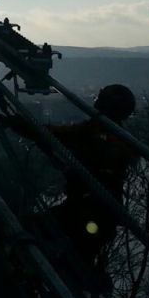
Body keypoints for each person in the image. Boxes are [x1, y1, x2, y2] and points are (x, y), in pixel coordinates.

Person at [49, 84, 137, 276]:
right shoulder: (106, 134)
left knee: (71, 262)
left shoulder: (105, 137)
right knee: (73, 262)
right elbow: (65, 133)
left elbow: (68, 135)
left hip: (90, 214)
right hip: (92, 213)